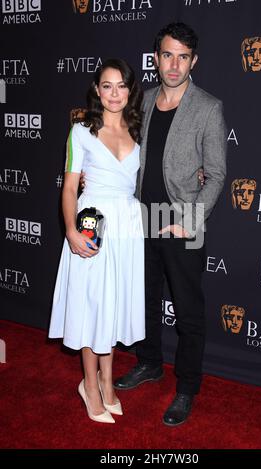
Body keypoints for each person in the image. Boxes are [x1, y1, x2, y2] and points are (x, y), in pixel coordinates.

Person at [112, 22, 227, 426]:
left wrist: (190, 220)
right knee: (143, 301)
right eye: (167, 55)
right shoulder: (140, 101)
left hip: (181, 224)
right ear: (156, 58)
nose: (173, 64)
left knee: (188, 313)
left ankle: (187, 388)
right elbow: (124, 156)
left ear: (193, 60)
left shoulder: (208, 107)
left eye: (182, 56)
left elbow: (215, 173)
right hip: (141, 220)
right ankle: (149, 363)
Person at [48, 58, 145, 424]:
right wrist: (71, 230)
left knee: (112, 305)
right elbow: (70, 186)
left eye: (121, 85)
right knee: (91, 305)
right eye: (107, 85)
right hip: (92, 225)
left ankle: (108, 382)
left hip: (127, 227)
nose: (115, 93)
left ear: (130, 90)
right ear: (97, 89)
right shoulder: (81, 130)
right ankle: (89, 385)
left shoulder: (138, 129)